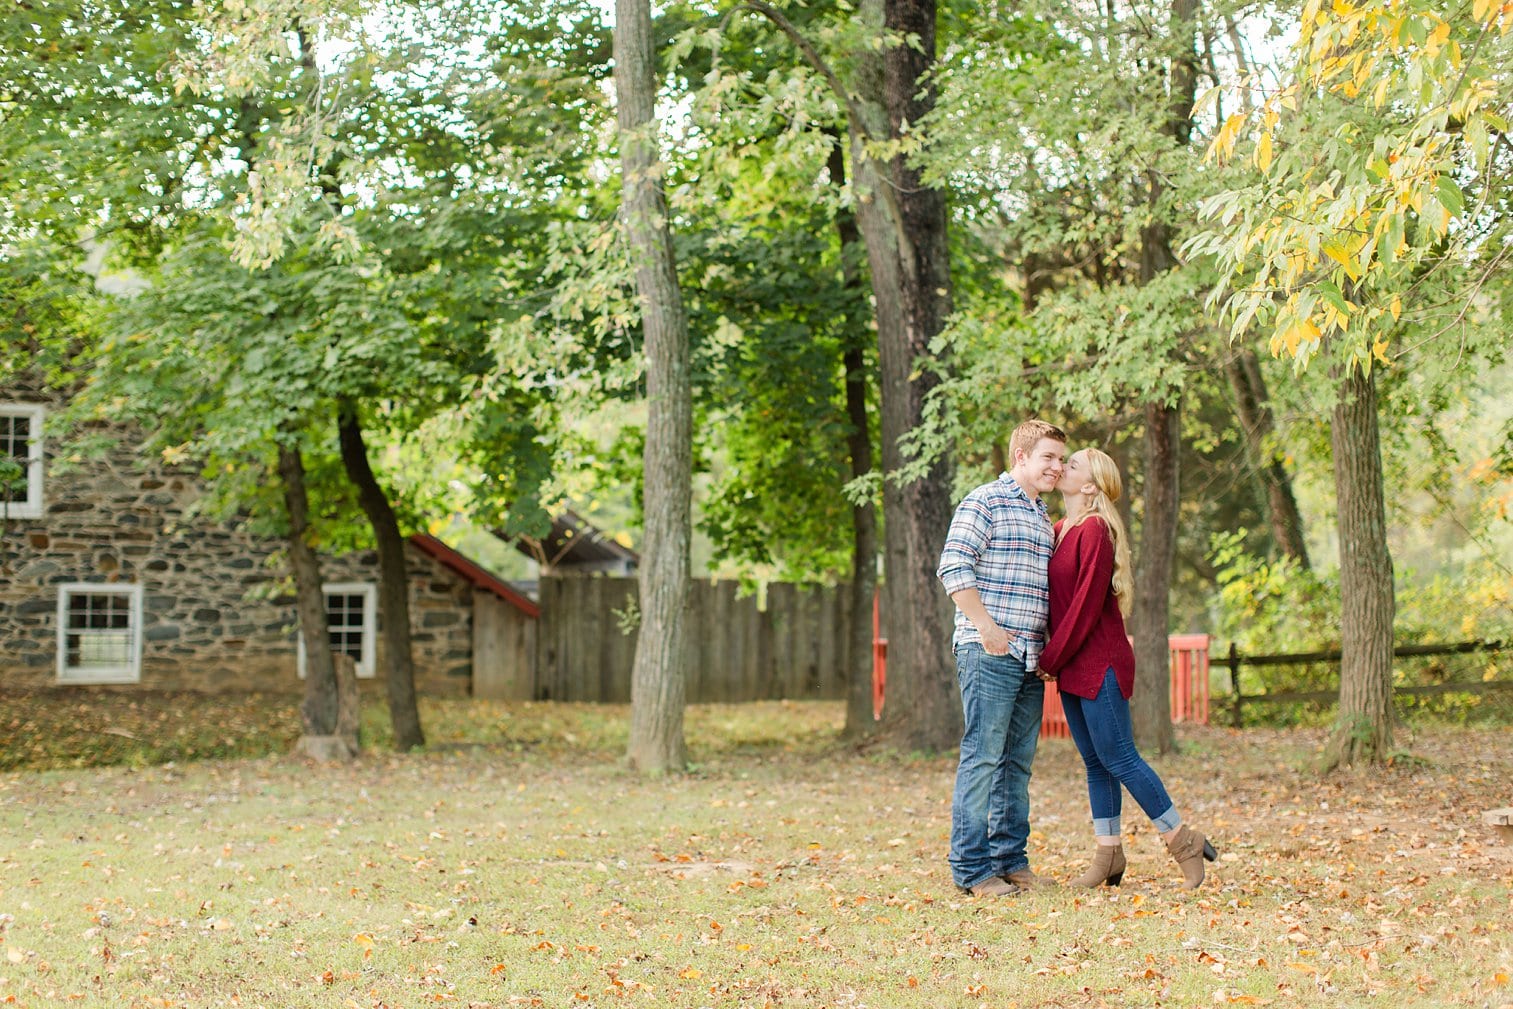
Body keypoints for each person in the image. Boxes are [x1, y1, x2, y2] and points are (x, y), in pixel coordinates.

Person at [1036, 447, 1218, 890]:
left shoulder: (1096, 529)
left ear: (1091, 485)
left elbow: (1082, 608)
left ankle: (1183, 840)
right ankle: (1109, 854)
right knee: (1095, 764)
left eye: (1072, 464)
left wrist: (1049, 658)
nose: (1063, 468)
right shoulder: (1060, 529)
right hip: (1072, 665)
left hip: (1100, 664)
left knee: (1121, 758)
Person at [937, 419, 1067, 897]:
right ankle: (972, 871)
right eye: (1048, 457)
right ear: (1021, 457)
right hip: (988, 650)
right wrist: (988, 629)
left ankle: (1011, 861)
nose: (1057, 466)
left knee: (1017, 763)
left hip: (1031, 658)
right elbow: (953, 567)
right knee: (983, 758)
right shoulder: (984, 501)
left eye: (1060, 459)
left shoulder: (1040, 513)